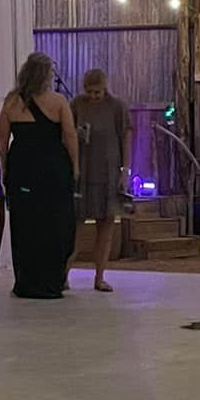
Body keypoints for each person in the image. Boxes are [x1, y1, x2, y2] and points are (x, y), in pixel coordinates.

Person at [0, 54, 79, 299]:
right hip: (52, 168)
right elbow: (70, 136)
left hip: (22, 167)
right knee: (54, 222)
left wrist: (5, 169)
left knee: (25, 224)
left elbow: (2, 141)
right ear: (45, 75)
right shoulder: (58, 102)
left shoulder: (12, 102)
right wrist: (75, 166)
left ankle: (26, 280)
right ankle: (52, 279)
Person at [71, 68, 129, 293]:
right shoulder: (77, 104)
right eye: (90, 92)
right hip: (83, 171)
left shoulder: (117, 107)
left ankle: (100, 276)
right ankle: (64, 275)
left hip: (108, 171)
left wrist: (125, 170)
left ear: (105, 88)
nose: (94, 96)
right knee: (75, 226)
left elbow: (126, 136)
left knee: (105, 227)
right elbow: (65, 132)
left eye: (97, 92)